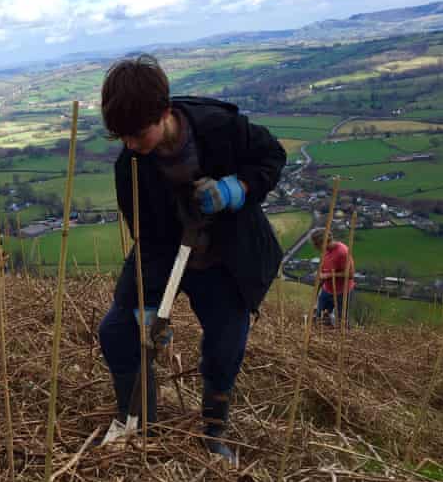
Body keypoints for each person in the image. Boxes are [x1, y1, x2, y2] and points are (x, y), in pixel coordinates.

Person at [97, 55, 285, 460]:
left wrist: (238, 187)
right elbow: (146, 236)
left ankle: (214, 433)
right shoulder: (130, 165)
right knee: (117, 330)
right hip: (168, 254)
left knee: (224, 345)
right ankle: (139, 421)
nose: (131, 145)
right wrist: (147, 306)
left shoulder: (220, 128)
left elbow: (272, 157)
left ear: (164, 112)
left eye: (137, 133)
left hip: (225, 258)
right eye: (122, 137)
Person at [311, 228, 355, 327]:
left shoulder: (342, 252)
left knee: (342, 321)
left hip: (343, 292)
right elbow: (323, 273)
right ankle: (326, 336)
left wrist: (329, 275)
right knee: (320, 317)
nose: (316, 248)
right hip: (327, 290)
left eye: (317, 245)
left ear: (323, 242)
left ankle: (342, 338)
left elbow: (351, 274)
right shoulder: (325, 251)